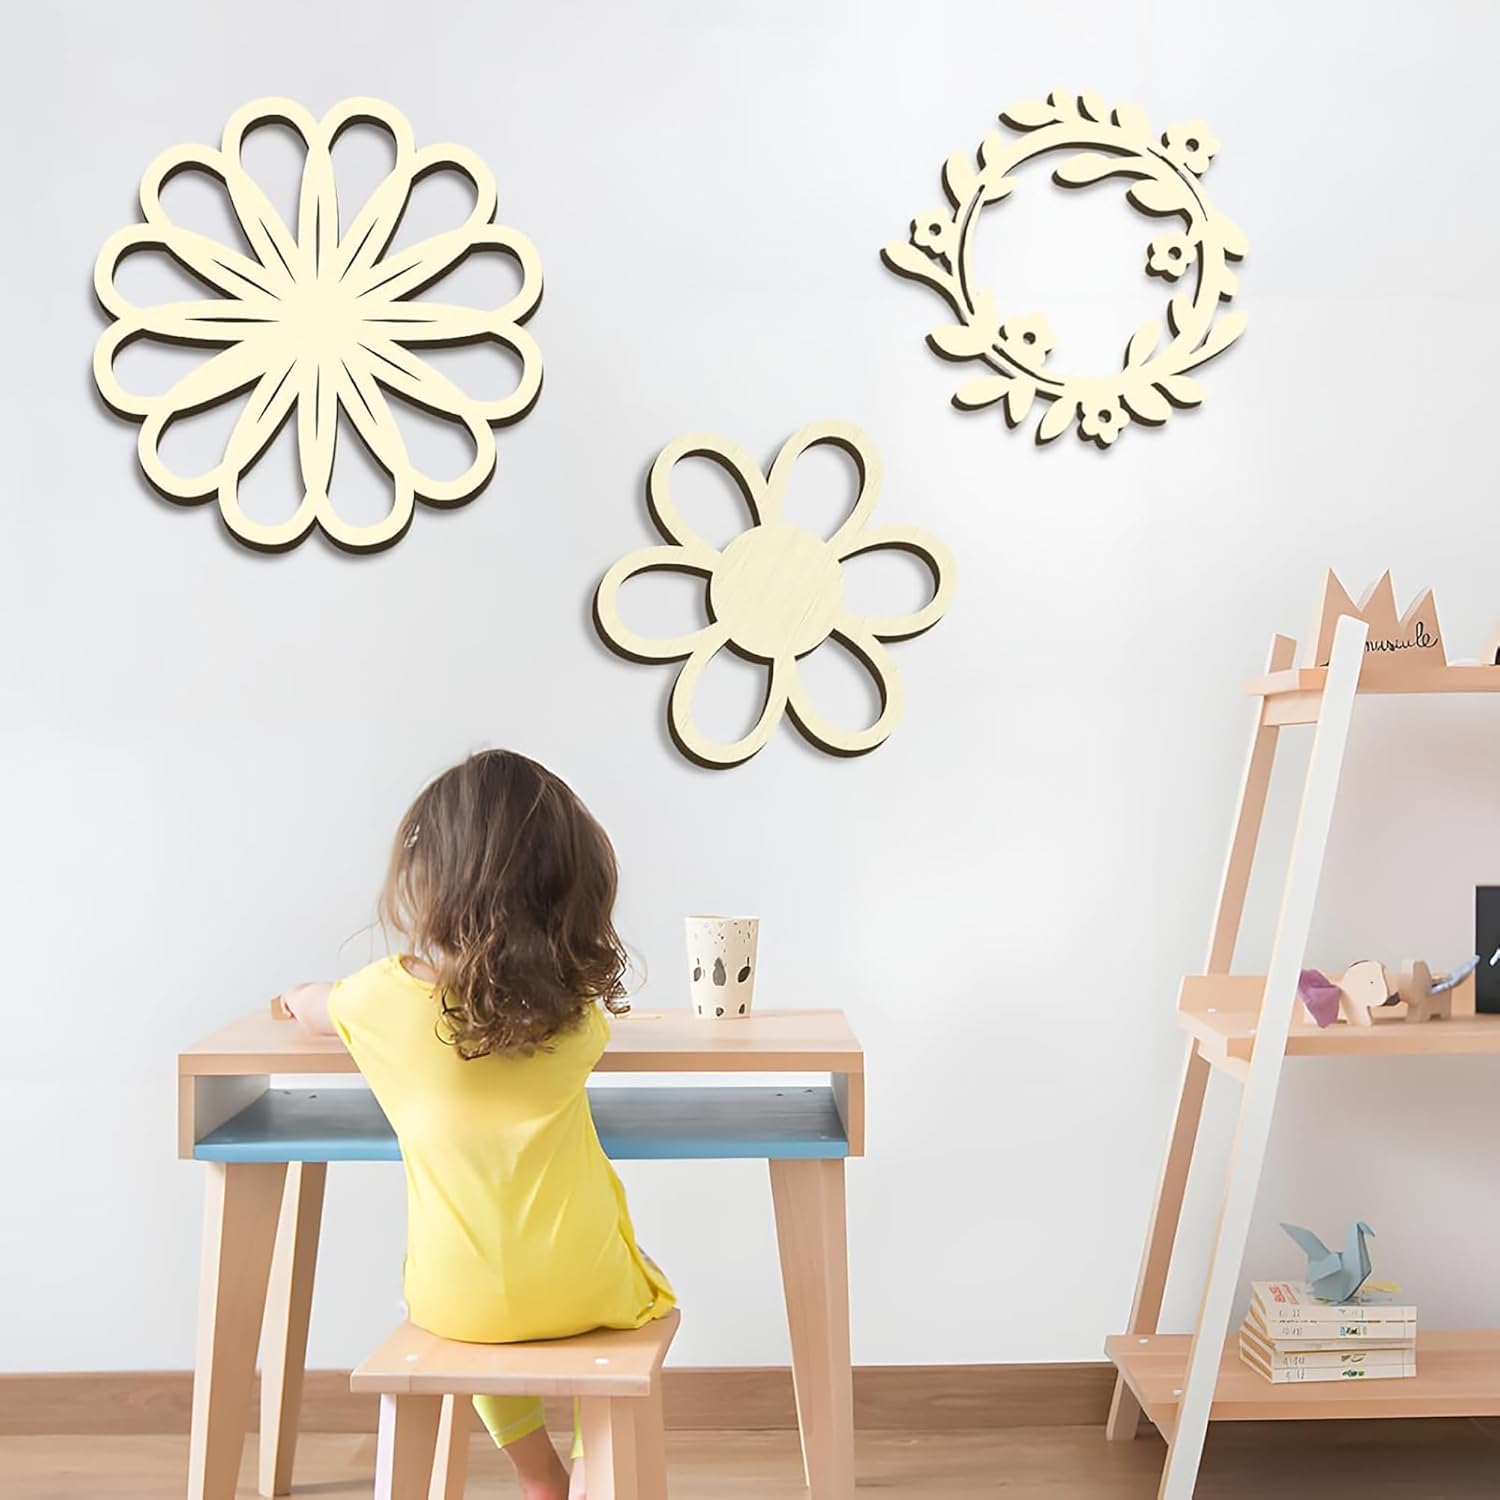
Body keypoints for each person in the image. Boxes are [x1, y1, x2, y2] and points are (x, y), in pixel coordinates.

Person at [281, 749, 674, 1500]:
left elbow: (311, 1008)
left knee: (478, 1319)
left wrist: (301, 995)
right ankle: (597, 1468)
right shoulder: (578, 1017)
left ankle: (538, 1473)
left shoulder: (373, 1001)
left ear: (429, 878)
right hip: (585, 1290)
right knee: (637, 1305)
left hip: (449, 1302)